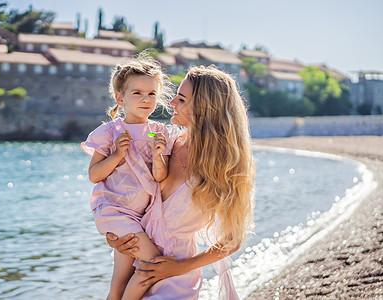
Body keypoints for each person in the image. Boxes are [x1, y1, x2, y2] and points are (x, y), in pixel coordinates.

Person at [106, 65, 256, 299]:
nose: (172, 102)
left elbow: (233, 239)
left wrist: (181, 267)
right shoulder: (167, 143)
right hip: (134, 264)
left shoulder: (224, 164)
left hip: (175, 278)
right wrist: (115, 235)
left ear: (205, 107)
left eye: (182, 98)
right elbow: (126, 194)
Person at [81, 54, 174, 300]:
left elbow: (160, 177)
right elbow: (94, 175)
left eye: (152, 94)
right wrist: (116, 155)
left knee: (120, 282)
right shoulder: (110, 132)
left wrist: (158, 156)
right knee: (155, 263)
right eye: (137, 93)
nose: (146, 99)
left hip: (142, 217)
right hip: (114, 212)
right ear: (120, 98)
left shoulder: (158, 132)